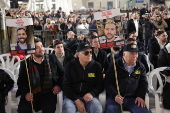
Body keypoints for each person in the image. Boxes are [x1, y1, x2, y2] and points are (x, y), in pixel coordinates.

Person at [16, 38, 64, 113]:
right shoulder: (25, 63)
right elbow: (21, 81)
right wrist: (26, 94)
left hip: (49, 92)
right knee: (23, 110)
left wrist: (58, 85)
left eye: (41, 46)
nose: (41, 49)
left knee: (48, 109)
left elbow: (63, 73)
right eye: (37, 47)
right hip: (32, 92)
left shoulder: (52, 58)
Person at [105, 43, 149, 113]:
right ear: (124, 54)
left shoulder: (140, 66)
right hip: (116, 98)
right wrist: (115, 95)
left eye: (136, 53)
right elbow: (108, 82)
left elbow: (144, 83)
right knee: (111, 110)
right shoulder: (115, 65)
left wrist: (140, 96)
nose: (135, 56)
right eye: (132, 53)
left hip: (133, 98)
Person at [62, 42, 104, 113]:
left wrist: (92, 93)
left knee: (97, 109)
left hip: (89, 96)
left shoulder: (96, 66)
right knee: (68, 110)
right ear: (78, 54)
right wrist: (76, 99)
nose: (90, 55)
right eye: (86, 53)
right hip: (72, 97)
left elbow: (100, 85)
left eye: (91, 52)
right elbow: (66, 85)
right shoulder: (70, 66)